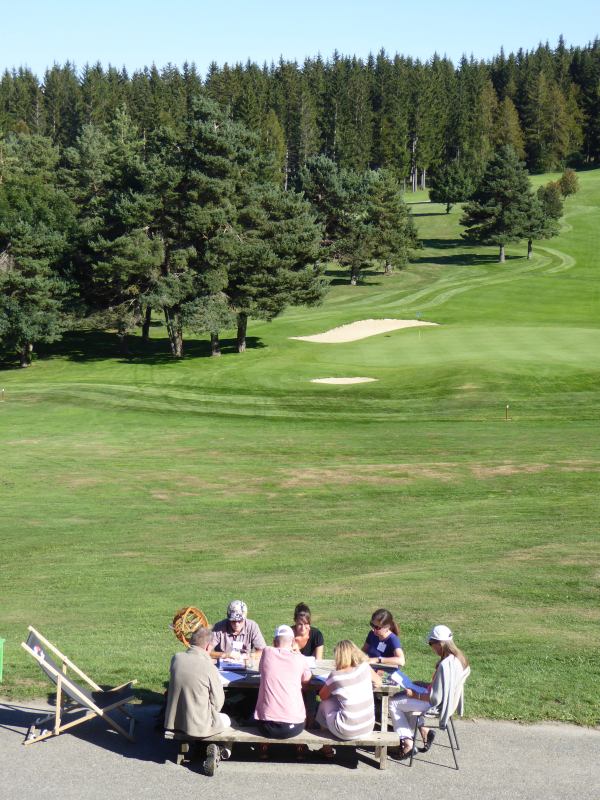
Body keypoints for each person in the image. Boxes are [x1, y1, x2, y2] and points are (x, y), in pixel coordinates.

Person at [388, 624, 469, 759]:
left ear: (441, 643)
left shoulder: (445, 665)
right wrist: (422, 685)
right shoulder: (459, 659)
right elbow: (442, 687)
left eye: (431, 643)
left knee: (393, 702)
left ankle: (408, 744)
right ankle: (424, 731)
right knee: (406, 701)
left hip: (435, 705)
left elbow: (435, 698)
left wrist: (415, 694)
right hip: (446, 702)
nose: (431, 647)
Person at [164, 626, 230, 738]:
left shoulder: (176, 658)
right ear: (208, 647)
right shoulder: (209, 667)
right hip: (198, 726)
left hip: (174, 722)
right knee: (227, 719)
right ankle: (225, 749)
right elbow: (218, 703)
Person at [316, 640, 380, 752]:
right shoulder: (365, 667)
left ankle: (326, 748)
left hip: (346, 730)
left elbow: (322, 696)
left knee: (324, 704)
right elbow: (378, 682)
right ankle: (327, 747)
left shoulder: (335, 676)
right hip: (368, 727)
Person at [254, 624, 312, 746]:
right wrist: (298, 652)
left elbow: (260, 670)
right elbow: (307, 678)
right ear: (292, 641)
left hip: (266, 727)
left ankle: (263, 749)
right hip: (294, 727)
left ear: (274, 641)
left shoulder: (267, 652)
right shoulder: (299, 658)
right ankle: (300, 751)